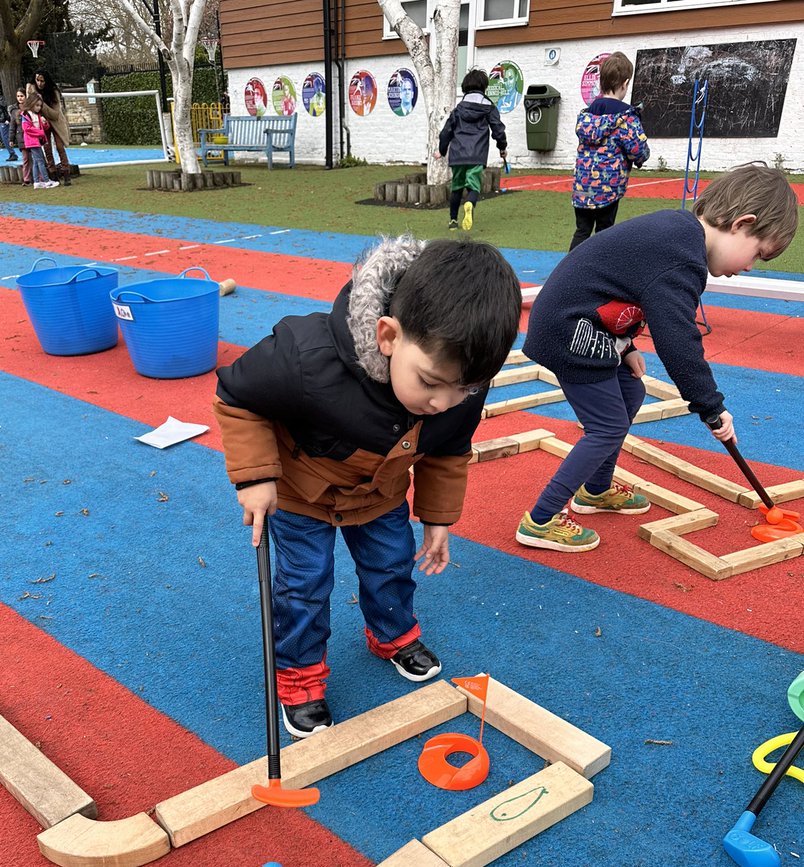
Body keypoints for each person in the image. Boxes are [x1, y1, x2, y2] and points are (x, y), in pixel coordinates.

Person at [215, 237, 522, 737]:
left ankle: (393, 634)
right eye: (430, 382)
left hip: (379, 494)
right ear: (387, 336)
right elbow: (236, 396)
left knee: (391, 564)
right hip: (301, 493)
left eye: (462, 389)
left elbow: (448, 450)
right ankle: (299, 674)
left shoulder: (463, 385)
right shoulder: (303, 356)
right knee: (304, 583)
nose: (445, 402)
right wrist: (255, 477)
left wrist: (439, 520)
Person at [515, 163, 798, 553]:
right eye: (757, 254)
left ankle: (596, 491)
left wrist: (626, 345)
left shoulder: (678, 234)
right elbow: (678, 341)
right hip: (568, 329)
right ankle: (540, 519)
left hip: (586, 322)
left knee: (630, 392)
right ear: (741, 223)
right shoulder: (683, 257)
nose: (749, 266)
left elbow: (619, 286)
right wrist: (711, 407)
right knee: (607, 425)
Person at [569, 52, 649, 252]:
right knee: (605, 232)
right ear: (625, 83)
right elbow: (639, 151)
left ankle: (570, 269)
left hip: (583, 186)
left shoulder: (586, 116)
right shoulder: (626, 118)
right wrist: (639, 157)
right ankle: (598, 271)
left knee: (582, 231)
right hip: (608, 188)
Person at [438, 68, 508, 233]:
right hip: (477, 155)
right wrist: (502, 147)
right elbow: (498, 129)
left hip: (457, 155)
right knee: (473, 187)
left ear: (465, 87)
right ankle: (469, 204)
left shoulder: (458, 110)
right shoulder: (488, 108)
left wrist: (442, 150)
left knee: (456, 187)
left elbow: (446, 132)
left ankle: (453, 221)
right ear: (484, 87)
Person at [27, 69, 72, 186]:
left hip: (55, 122)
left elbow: (55, 114)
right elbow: (30, 107)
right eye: (37, 80)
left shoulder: (53, 92)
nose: (39, 83)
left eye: (42, 81)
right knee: (47, 148)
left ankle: (66, 172)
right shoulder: (32, 89)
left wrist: (41, 102)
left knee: (59, 146)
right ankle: (52, 173)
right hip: (42, 122)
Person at [21, 94, 59, 189]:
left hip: (36, 141)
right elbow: (27, 129)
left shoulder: (37, 115)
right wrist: (40, 132)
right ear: (31, 104)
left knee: (36, 161)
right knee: (41, 161)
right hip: (32, 141)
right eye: (37, 105)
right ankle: (46, 181)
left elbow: (42, 127)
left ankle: (37, 182)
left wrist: (45, 123)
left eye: (40, 106)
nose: (39, 108)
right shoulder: (26, 114)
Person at [9, 88, 32, 185]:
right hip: (21, 138)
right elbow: (12, 125)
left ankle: (38, 177)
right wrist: (11, 138)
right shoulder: (14, 111)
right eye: (18, 96)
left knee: (36, 157)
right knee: (26, 159)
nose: (20, 98)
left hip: (31, 136)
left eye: (22, 96)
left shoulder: (31, 108)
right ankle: (26, 179)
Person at [0, 85, 18, 161]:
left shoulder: (1, 99)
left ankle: (13, 154)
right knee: (3, 138)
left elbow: (4, 109)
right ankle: (11, 153)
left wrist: (7, 119)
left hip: (3, 121)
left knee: (5, 138)